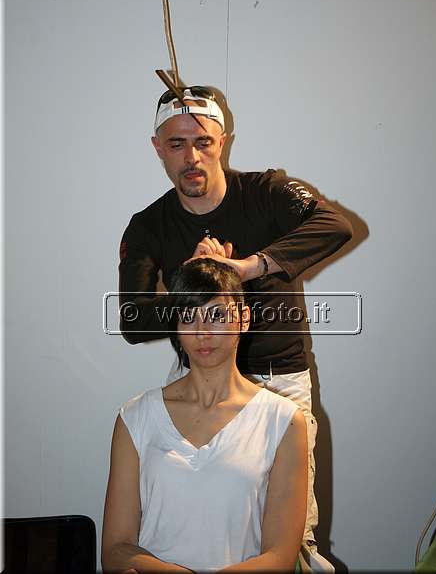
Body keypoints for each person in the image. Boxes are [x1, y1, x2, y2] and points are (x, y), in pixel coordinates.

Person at [118, 86, 353, 572]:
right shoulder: (148, 225)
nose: (192, 157)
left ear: (222, 141)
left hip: (280, 384)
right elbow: (132, 320)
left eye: (203, 141)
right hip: (200, 384)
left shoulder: (267, 192)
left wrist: (250, 267)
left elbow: (335, 225)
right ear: (158, 148)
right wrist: (194, 287)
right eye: (177, 144)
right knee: (190, 521)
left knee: (293, 540)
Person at [103, 258, 308, 573]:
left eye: (216, 315)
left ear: (243, 318)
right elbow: (116, 549)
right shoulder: (135, 417)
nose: (202, 331)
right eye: (188, 316)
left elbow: (279, 557)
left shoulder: (284, 421)